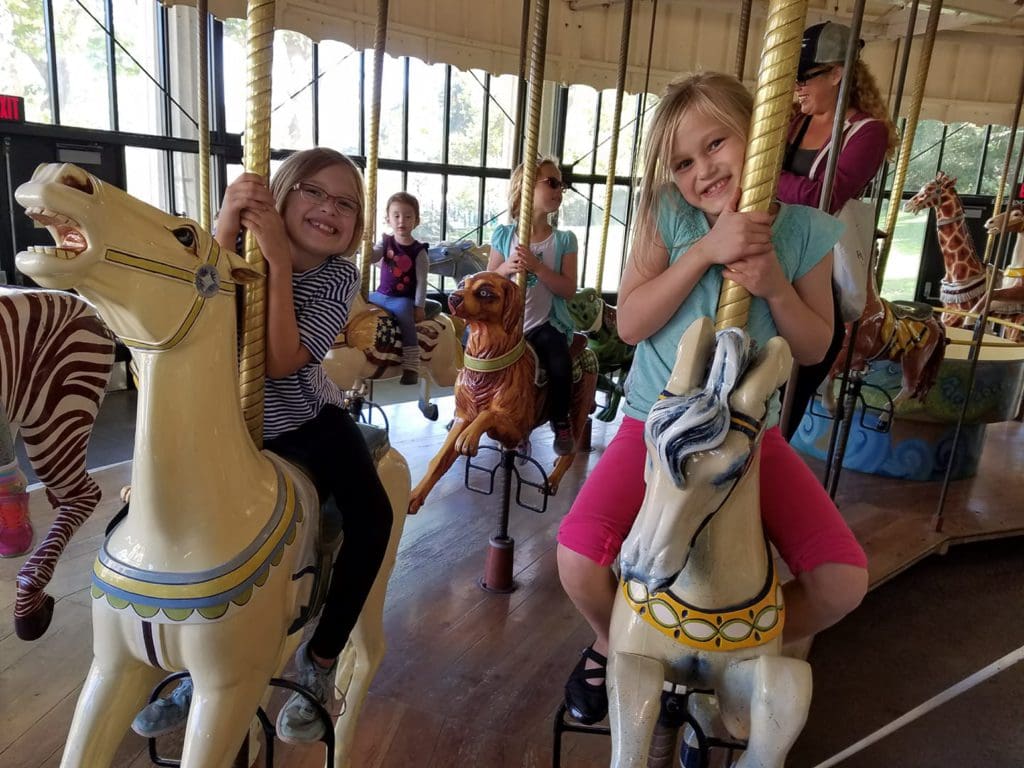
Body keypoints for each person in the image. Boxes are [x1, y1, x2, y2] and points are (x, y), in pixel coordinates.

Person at [556, 72, 869, 726]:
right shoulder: (665, 216)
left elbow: (813, 347)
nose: (703, 169)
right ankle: (612, 636)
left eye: (717, 143)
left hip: (751, 435)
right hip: (653, 428)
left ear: (762, 135)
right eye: (682, 162)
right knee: (579, 561)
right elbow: (632, 323)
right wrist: (703, 251)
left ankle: (742, 646)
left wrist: (775, 285)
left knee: (843, 581)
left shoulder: (808, 231)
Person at [131, 148, 395, 745]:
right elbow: (193, 309)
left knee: (372, 517)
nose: (329, 209)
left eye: (346, 204)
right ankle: (198, 668)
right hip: (221, 420)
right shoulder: (230, 249)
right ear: (281, 192)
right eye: (313, 192)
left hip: (306, 422)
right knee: (155, 515)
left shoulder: (335, 277)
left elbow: (279, 363)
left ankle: (320, 658)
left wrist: (276, 257)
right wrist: (227, 226)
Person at [778, 20, 898, 440]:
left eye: (805, 76)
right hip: (772, 252)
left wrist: (760, 175)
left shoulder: (867, 133)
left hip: (816, 266)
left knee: (786, 398)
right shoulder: (792, 123)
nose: (795, 86)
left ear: (837, 72)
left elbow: (821, 198)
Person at [487, 157, 579, 456]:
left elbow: (567, 289)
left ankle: (560, 419)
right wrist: (506, 270)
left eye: (560, 184)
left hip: (542, 325)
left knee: (559, 361)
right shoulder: (504, 235)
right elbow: (488, 280)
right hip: (507, 324)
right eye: (551, 182)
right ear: (526, 189)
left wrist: (538, 268)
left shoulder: (564, 240)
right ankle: (468, 407)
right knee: (471, 349)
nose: (559, 189)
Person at [370, 192, 429, 385]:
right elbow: (373, 256)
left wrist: (419, 306)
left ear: (416, 220)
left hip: (401, 299)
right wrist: (363, 246)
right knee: (356, 301)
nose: (401, 220)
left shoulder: (418, 251)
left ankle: (411, 366)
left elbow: (422, 281)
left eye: (408, 216)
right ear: (388, 219)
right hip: (380, 295)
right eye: (396, 215)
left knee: (406, 321)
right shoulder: (385, 242)